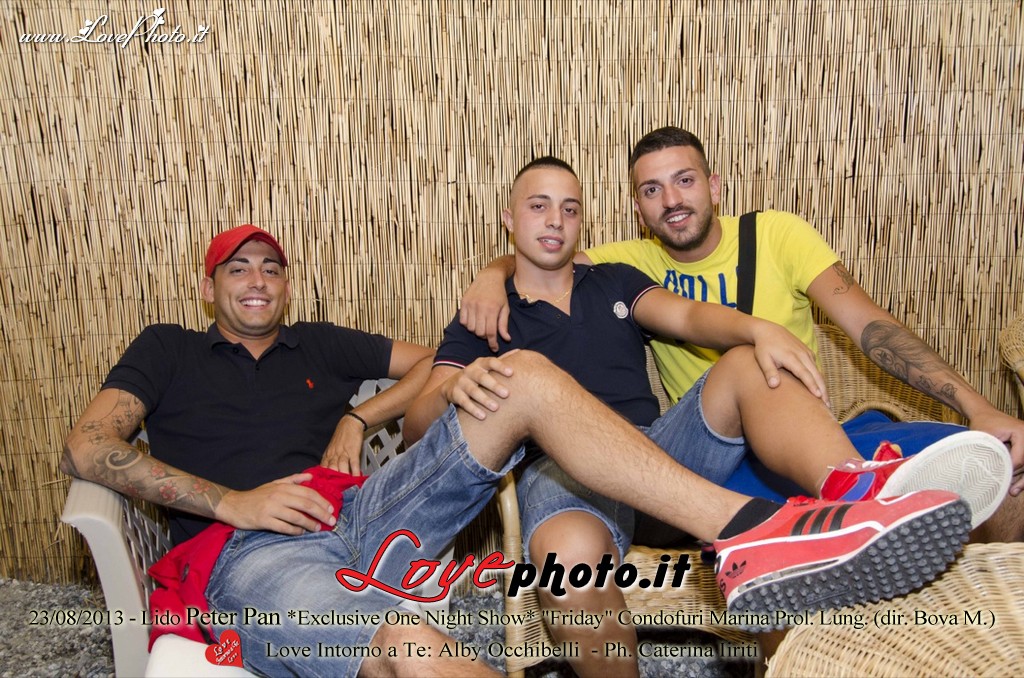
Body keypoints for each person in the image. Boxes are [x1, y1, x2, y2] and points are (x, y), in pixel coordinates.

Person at [63, 224, 969, 677]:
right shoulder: (168, 348)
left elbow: (440, 364)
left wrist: (364, 417)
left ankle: (753, 532)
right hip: (254, 550)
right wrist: (235, 502)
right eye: (238, 268)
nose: (258, 280)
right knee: (410, 647)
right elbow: (89, 444)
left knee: (523, 375)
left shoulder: (321, 344)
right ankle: (770, 532)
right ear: (210, 285)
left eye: (271, 266)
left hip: (364, 509)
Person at [408, 157, 998, 677]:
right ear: (509, 220)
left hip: (660, 458)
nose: (555, 220)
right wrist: (457, 385)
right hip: (562, 478)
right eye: (538, 206)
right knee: (568, 568)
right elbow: (416, 427)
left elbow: (689, 317)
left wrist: (757, 328)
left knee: (746, 361)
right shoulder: (482, 317)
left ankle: (857, 500)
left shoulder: (613, 280)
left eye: (570, 208)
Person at [461, 126, 1023, 511]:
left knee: (992, 471)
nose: (671, 200)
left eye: (685, 180)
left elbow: (871, 327)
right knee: (749, 375)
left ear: (714, 186)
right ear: (638, 209)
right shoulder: (628, 267)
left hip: (812, 437)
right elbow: (545, 251)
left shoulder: (777, 234)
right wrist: (491, 273)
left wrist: (977, 407)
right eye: (652, 190)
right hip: (721, 455)